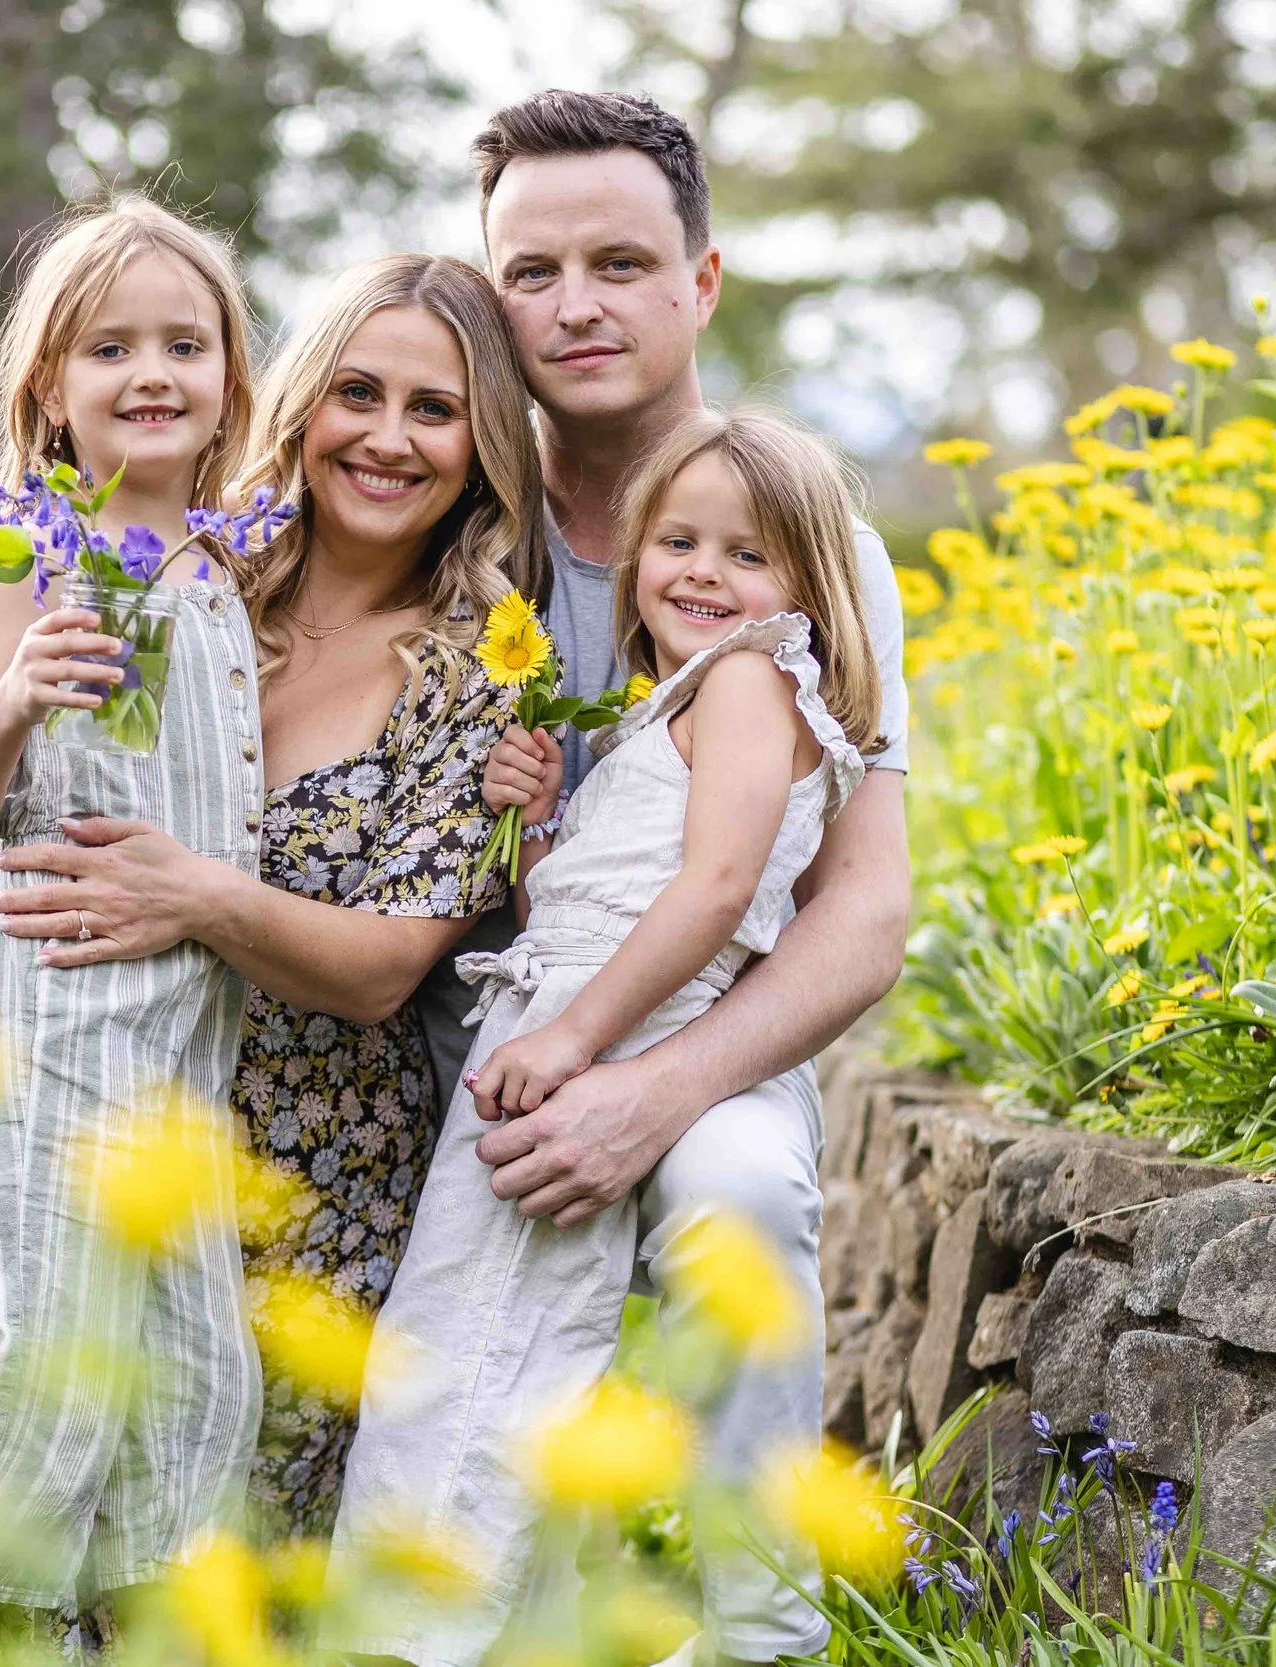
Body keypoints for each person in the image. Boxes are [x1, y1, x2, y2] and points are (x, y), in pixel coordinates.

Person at [0, 252, 547, 1544]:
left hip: (294, 1169)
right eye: (359, 391)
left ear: (483, 450)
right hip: (59, 1086)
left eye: (437, 408)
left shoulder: (480, 672)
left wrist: (198, 895)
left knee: (183, 1517)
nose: (390, 438)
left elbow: (378, 972)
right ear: (296, 401)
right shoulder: (182, 562)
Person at [387, 91, 916, 1667]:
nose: (575, 305)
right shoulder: (441, 509)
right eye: (531, 271)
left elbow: (865, 912)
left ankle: (762, 1628)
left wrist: (659, 1089)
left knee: (739, 1190)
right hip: (452, 1025)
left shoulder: (800, 543)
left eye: (621, 261)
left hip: (698, 1017)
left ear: (701, 281)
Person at [332, 408, 882, 1665]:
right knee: (494, 1328)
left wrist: (576, 1035)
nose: (702, 571)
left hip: (612, 1028)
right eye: (677, 540)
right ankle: (471, 1621)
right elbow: (597, 902)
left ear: (805, 582)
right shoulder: (673, 705)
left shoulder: (751, 676)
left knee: (471, 1334)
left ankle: (417, 1625)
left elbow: (712, 889)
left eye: (748, 554)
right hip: (573, 1007)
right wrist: (536, 833)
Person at [0, 194, 266, 1630]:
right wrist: (15, 693)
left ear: (233, 372)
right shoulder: (25, 558)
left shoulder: (228, 566)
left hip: (181, 1023)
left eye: (187, 341)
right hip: (48, 1005)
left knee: (198, 1386)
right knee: (50, 1366)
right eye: (112, 347)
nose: (153, 372)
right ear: (51, 385)